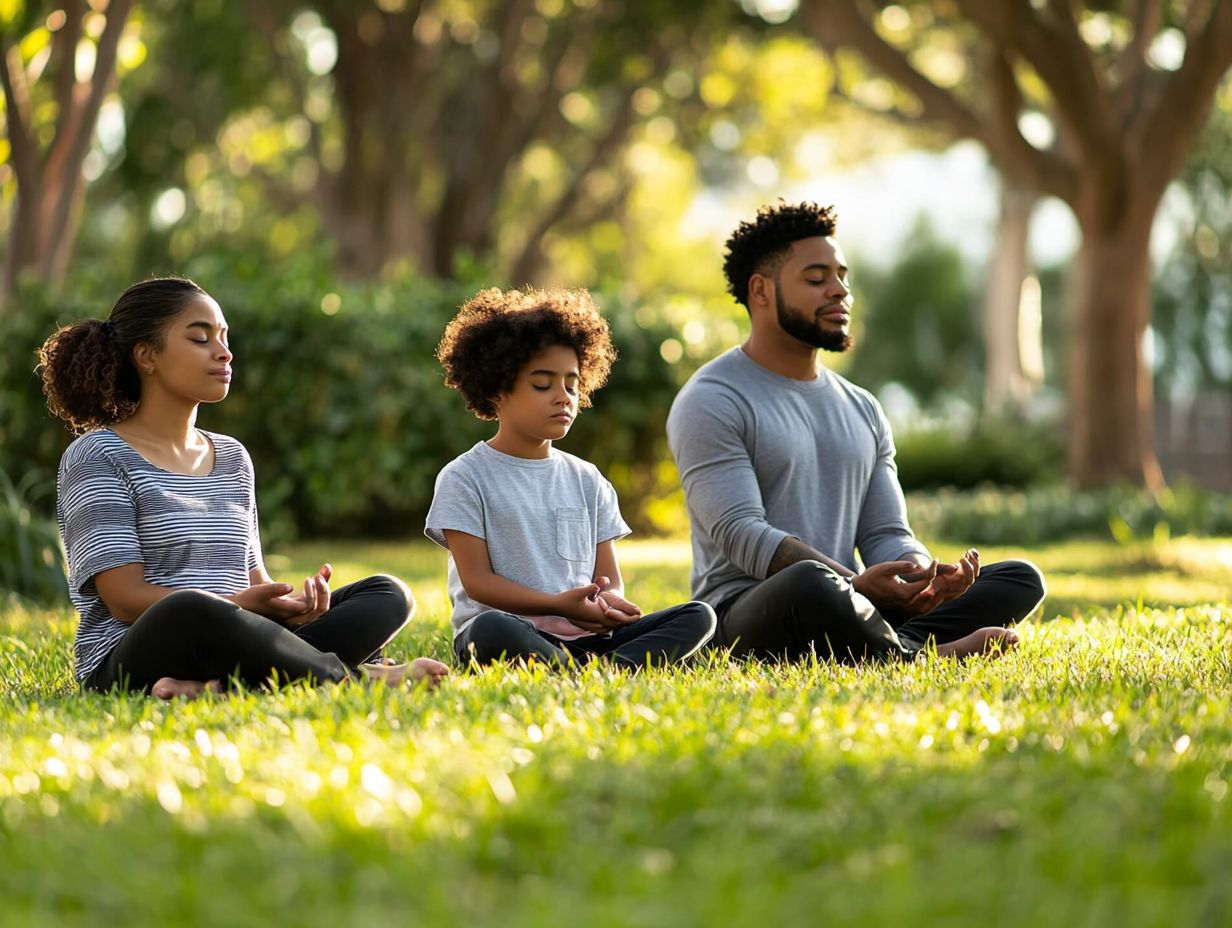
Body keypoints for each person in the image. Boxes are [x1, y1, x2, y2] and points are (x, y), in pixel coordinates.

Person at [667, 202, 1046, 662]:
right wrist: (852, 583)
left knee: (1019, 578)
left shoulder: (861, 406)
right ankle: (919, 655)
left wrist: (925, 578)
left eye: (842, 276)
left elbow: (887, 531)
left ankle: (890, 639)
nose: (839, 291)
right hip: (749, 615)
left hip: (854, 601)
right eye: (816, 278)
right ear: (761, 291)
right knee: (809, 582)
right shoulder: (712, 398)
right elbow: (740, 532)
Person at [39, 277, 448, 698]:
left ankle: (215, 687)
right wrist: (236, 606)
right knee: (192, 608)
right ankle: (357, 678)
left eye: (224, 337)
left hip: (239, 633)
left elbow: (253, 580)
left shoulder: (232, 457)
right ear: (147, 356)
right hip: (135, 653)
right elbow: (124, 599)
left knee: (386, 594)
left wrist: (291, 608)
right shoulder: (98, 455)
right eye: (201, 338)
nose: (224, 352)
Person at [426, 287, 716, 669]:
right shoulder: (464, 477)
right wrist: (554, 605)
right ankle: (608, 669)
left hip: (587, 639)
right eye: (542, 384)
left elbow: (607, 578)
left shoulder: (587, 478)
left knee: (699, 616)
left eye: (572, 384)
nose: (563, 396)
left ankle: (588, 670)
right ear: (497, 390)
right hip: (510, 634)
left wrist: (607, 603)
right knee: (488, 629)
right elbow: (478, 583)